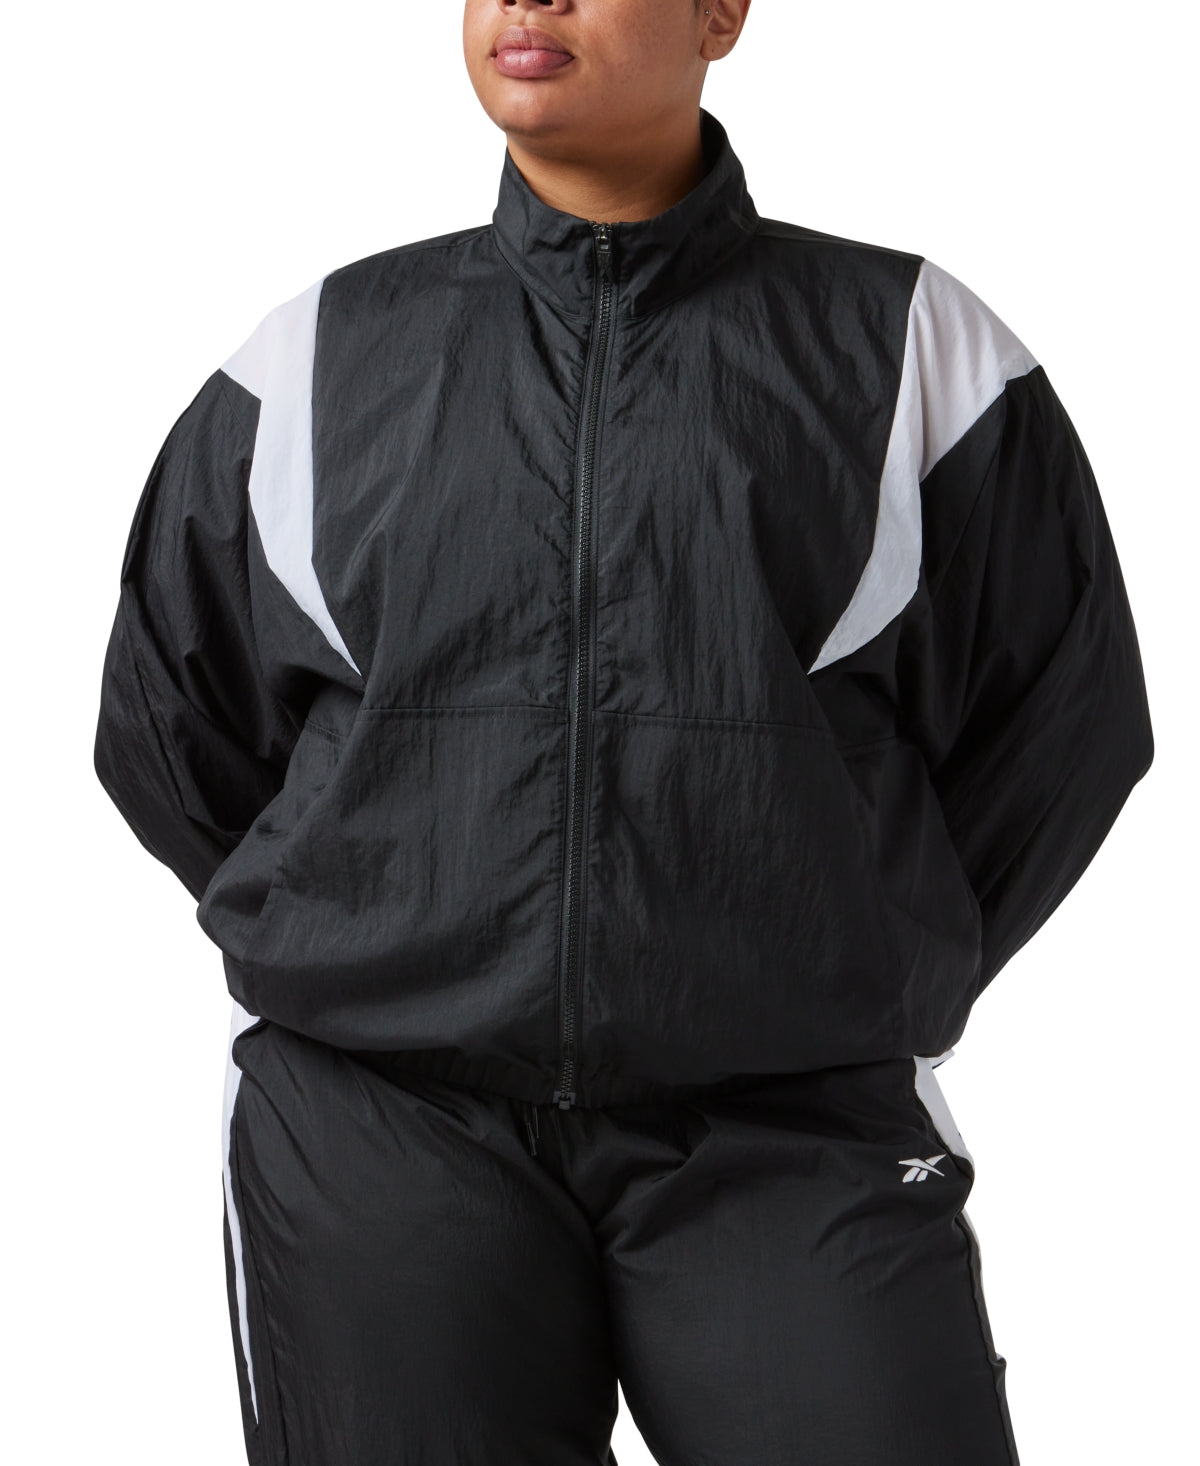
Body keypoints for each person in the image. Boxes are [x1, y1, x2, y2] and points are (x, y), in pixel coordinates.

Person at [92, 2, 1155, 1463]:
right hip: (383, 1119)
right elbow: (173, 724)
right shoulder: (318, 358)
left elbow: (1062, 722)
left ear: (723, 11)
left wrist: (849, 939)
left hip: (787, 1120)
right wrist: (379, 923)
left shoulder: (917, 351)